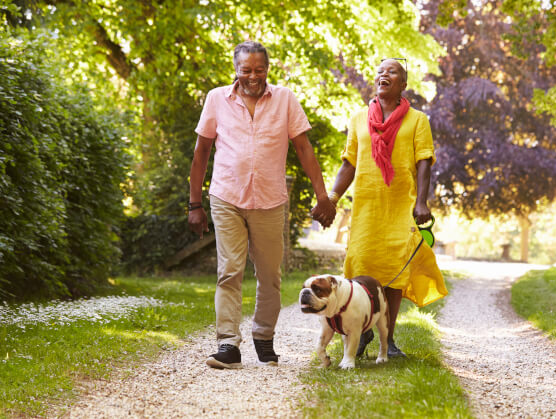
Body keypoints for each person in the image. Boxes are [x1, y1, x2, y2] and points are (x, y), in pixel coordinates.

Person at [188, 40, 336, 369]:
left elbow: (303, 148)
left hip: (269, 202)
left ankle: (263, 337)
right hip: (226, 197)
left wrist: (322, 195)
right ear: (236, 71)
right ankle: (228, 344)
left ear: (267, 69)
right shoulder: (216, 99)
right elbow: (201, 153)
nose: (253, 76)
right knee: (229, 272)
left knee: (270, 275)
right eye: (246, 70)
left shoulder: (285, 100)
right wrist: (194, 204)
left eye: (259, 70)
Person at [328, 58, 448, 358]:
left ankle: (388, 340)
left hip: (399, 205)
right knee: (360, 266)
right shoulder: (358, 119)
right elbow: (349, 163)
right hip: (366, 206)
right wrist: (331, 198)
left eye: (392, 71)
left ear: (403, 84)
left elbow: (423, 162)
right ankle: (363, 331)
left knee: (394, 272)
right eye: (380, 71)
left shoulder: (418, 120)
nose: (384, 74)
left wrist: (421, 201)